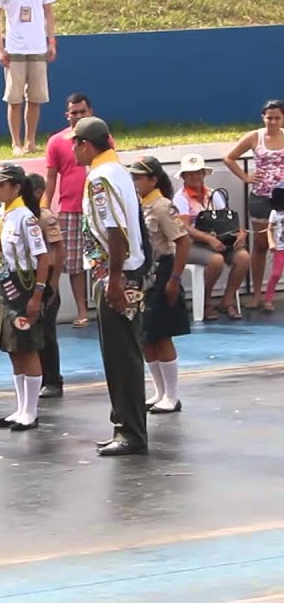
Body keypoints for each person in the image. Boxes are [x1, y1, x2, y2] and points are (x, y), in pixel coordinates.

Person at [74, 117, 148, 457]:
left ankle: (131, 432)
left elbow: (115, 230)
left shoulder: (100, 178)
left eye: (76, 143)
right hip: (122, 271)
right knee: (120, 354)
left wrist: (114, 278)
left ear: (87, 145)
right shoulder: (117, 171)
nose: (73, 149)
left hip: (119, 275)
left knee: (122, 357)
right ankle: (123, 425)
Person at [0, 163, 49, 431]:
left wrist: (37, 294)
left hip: (23, 286)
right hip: (4, 284)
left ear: (16, 187)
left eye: (1, 184)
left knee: (27, 347)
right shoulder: (1, 215)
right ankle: (20, 407)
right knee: (13, 348)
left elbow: (42, 257)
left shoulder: (25, 217)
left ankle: (31, 411)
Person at [128, 156, 191, 416]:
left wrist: (174, 279)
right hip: (144, 274)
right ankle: (159, 391)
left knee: (162, 334)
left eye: (138, 177)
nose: (134, 182)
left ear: (153, 179)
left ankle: (172, 395)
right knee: (147, 335)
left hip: (163, 271)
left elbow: (183, 242)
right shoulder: (138, 205)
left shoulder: (163, 206)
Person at [0, 0, 57, 157]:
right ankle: (15, 142)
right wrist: (0, 47)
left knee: (36, 97)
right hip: (15, 47)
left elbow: (48, 12)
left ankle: (30, 141)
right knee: (14, 98)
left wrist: (51, 41)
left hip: (37, 45)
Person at [41, 92, 98, 327]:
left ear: (90, 112)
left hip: (97, 210)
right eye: (74, 113)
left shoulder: (101, 137)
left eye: (82, 112)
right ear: (67, 115)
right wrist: (44, 209)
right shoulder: (56, 142)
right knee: (74, 265)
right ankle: (82, 311)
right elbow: (51, 179)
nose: (78, 116)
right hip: (69, 210)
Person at [224, 100, 284, 311]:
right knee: (260, 244)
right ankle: (258, 293)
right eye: (269, 117)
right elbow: (229, 158)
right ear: (263, 117)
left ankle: (270, 293)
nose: (273, 122)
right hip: (261, 197)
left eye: (277, 117)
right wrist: (246, 177)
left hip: (282, 199)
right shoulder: (254, 137)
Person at [173, 154, 249, 320]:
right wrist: (208, 239)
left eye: (199, 172)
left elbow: (227, 219)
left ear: (204, 174)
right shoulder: (180, 198)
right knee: (216, 261)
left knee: (243, 257)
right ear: (184, 176)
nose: (196, 176)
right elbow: (183, 227)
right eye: (191, 173)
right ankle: (205, 302)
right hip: (192, 244)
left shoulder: (214, 194)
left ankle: (226, 301)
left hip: (219, 241)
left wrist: (240, 232)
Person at [28, 173, 65, 399]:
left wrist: (53, 282)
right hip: (30, 274)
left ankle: (53, 379)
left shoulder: (45, 217)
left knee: (47, 331)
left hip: (47, 273)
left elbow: (59, 250)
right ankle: (38, 377)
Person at [264, 180, 284, 313]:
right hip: (280, 249)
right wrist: (271, 242)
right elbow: (269, 229)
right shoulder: (274, 213)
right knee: (276, 274)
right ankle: (268, 299)